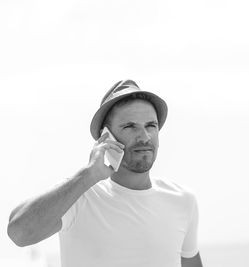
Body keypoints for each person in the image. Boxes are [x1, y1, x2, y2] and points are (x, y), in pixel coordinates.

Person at [7, 80, 203, 267]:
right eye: (129, 126)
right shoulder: (79, 197)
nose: (144, 136)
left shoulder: (183, 200)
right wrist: (89, 174)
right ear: (105, 136)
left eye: (151, 126)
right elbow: (19, 232)